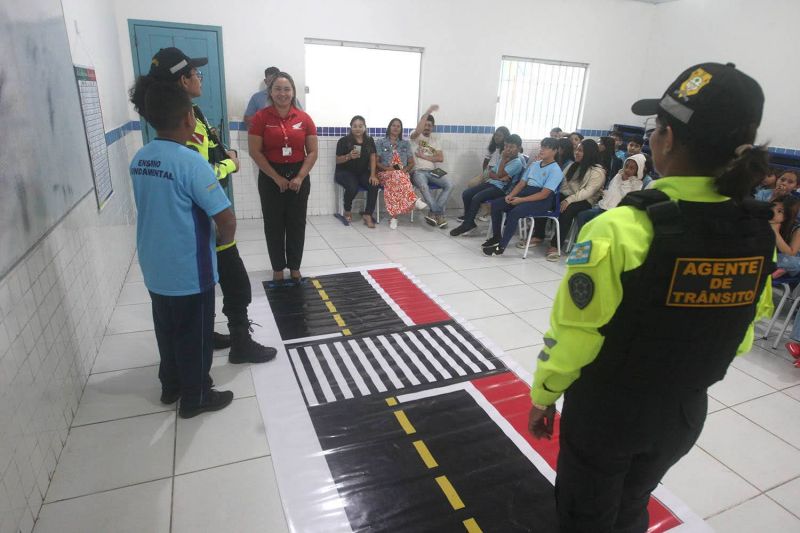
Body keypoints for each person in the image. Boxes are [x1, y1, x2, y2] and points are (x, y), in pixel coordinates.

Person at [527, 62, 774, 532]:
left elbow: (576, 334)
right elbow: (740, 338)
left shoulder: (622, 228)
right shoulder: (756, 230)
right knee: (632, 502)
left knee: (586, 515)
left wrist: (544, 394)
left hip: (609, 414)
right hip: (682, 414)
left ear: (666, 140)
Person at [129, 47, 276, 364]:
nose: (200, 78)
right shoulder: (188, 122)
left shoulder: (187, 115)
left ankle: (206, 335)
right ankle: (240, 342)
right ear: (183, 80)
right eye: (196, 74)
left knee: (212, 286)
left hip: (196, 218)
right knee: (235, 284)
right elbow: (200, 171)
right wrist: (230, 166)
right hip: (205, 218)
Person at [128, 82, 235, 418]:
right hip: (189, 267)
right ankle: (196, 395)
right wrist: (222, 243)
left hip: (154, 265)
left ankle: (170, 385)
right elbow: (226, 218)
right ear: (189, 119)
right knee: (196, 334)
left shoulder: (141, 157)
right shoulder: (192, 163)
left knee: (167, 328)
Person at [248, 72, 318, 284]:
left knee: (297, 224)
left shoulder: (304, 119)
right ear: (270, 92)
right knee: (274, 225)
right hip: (271, 177)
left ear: (293, 92)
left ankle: (295, 268)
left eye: (287, 89)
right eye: (278, 89)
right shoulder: (261, 117)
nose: (282, 93)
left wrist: (299, 177)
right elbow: (255, 151)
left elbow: (313, 152)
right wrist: (276, 178)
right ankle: (278, 269)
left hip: (298, 176)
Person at [482, 137, 564, 256]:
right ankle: (496, 237)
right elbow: (521, 183)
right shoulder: (535, 165)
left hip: (541, 201)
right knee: (496, 204)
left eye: (546, 148)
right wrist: (511, 195)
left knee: (515, 212)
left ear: (555, 151)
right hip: (526, 194)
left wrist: (521, 200)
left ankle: (501, 247)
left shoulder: (556, 170)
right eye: (542, 147)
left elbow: (544, 194)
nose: (542, 150)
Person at [528, 139, 606, 260]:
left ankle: (555, 245)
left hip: (585, 201)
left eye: (581, 150)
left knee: (567, 210)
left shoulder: (597, 171)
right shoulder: (573, 165)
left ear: (589, 153)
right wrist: (559, 194)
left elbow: (587, 192)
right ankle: (539, 234)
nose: (577, 153)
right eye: (577, 150)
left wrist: (568, 200)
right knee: (546, 200)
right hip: (569, 195)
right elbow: (562, 182)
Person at [450, 134, 525, 236]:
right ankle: (469, 222)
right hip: (492, 183)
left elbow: (499, 173)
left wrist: (502, 163)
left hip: (502, 189)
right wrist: (500, 176)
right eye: (506, 146)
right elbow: (491, 173)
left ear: (519, 148)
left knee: (477, 198)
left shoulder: (517, 162)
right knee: (467, 193)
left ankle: (467, 224)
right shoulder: (504, 157)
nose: (508, 149)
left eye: (511, 147)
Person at [573, 154, 647, 235]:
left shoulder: (637, 184)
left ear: (638, 170)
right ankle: (582, 239)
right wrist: (604, 192)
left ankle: (589, 242)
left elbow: (627, 198)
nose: (627, 169)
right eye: (626, 166)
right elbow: (612, 190)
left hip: (615, 213)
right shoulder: (618, 175)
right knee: (581, 215)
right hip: (603, 207)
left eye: (632, 168)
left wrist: (625, 181)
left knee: (594, 222)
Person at [376, 118, 427, 230]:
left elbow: (411, 163)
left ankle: (394, 218)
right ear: (389, 127)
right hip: (385, 173)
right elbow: (376, 162)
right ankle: (414, 200)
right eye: (393, 125)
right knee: (396, 176)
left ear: (401, 129)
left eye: (398, 126)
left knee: (397, 177)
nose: (395, 128)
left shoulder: (405, 144)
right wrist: (387, 169)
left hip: (400, 173)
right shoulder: (380, 142)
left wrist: (405, 170)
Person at [410, 105, 452, 228]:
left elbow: (440, 158)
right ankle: (439, 214)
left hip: (433, 170)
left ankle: (433, 213)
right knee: (424, 187)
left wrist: (424, 157)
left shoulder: (435, 140)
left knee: (450, 184)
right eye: (425, 125)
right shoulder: (415, 135)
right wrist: (428, 111)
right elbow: (418, 130)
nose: (427, 127)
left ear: (432, 127)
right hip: (418, 171)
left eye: (429, 125)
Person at [458, 127, 511, 223]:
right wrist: (484, 174)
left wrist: (490, 177)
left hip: (496, 175)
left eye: (500, 136)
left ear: (505, 137)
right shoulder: (492, 147)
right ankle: (472, 212)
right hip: (488, 172)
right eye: (496, 135)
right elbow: (486, 162)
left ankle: (486, 211)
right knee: (471, 184)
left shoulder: (506, 151)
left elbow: (503, 172)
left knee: (479, 190)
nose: (496, 137)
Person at [335, 115, 378, 227]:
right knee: (352, 186)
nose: (358, 129)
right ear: (351, 127)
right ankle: (347, 210)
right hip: (344, 172)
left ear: (364, 127)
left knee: (374, 185)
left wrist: (373, 175)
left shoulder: (369, 140)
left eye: (360, 126)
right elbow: (337, 160)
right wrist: (348, 156)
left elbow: (373, 157)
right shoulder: (344, 141)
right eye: (355, 126)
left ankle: (368, 214)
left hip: (362, 172)